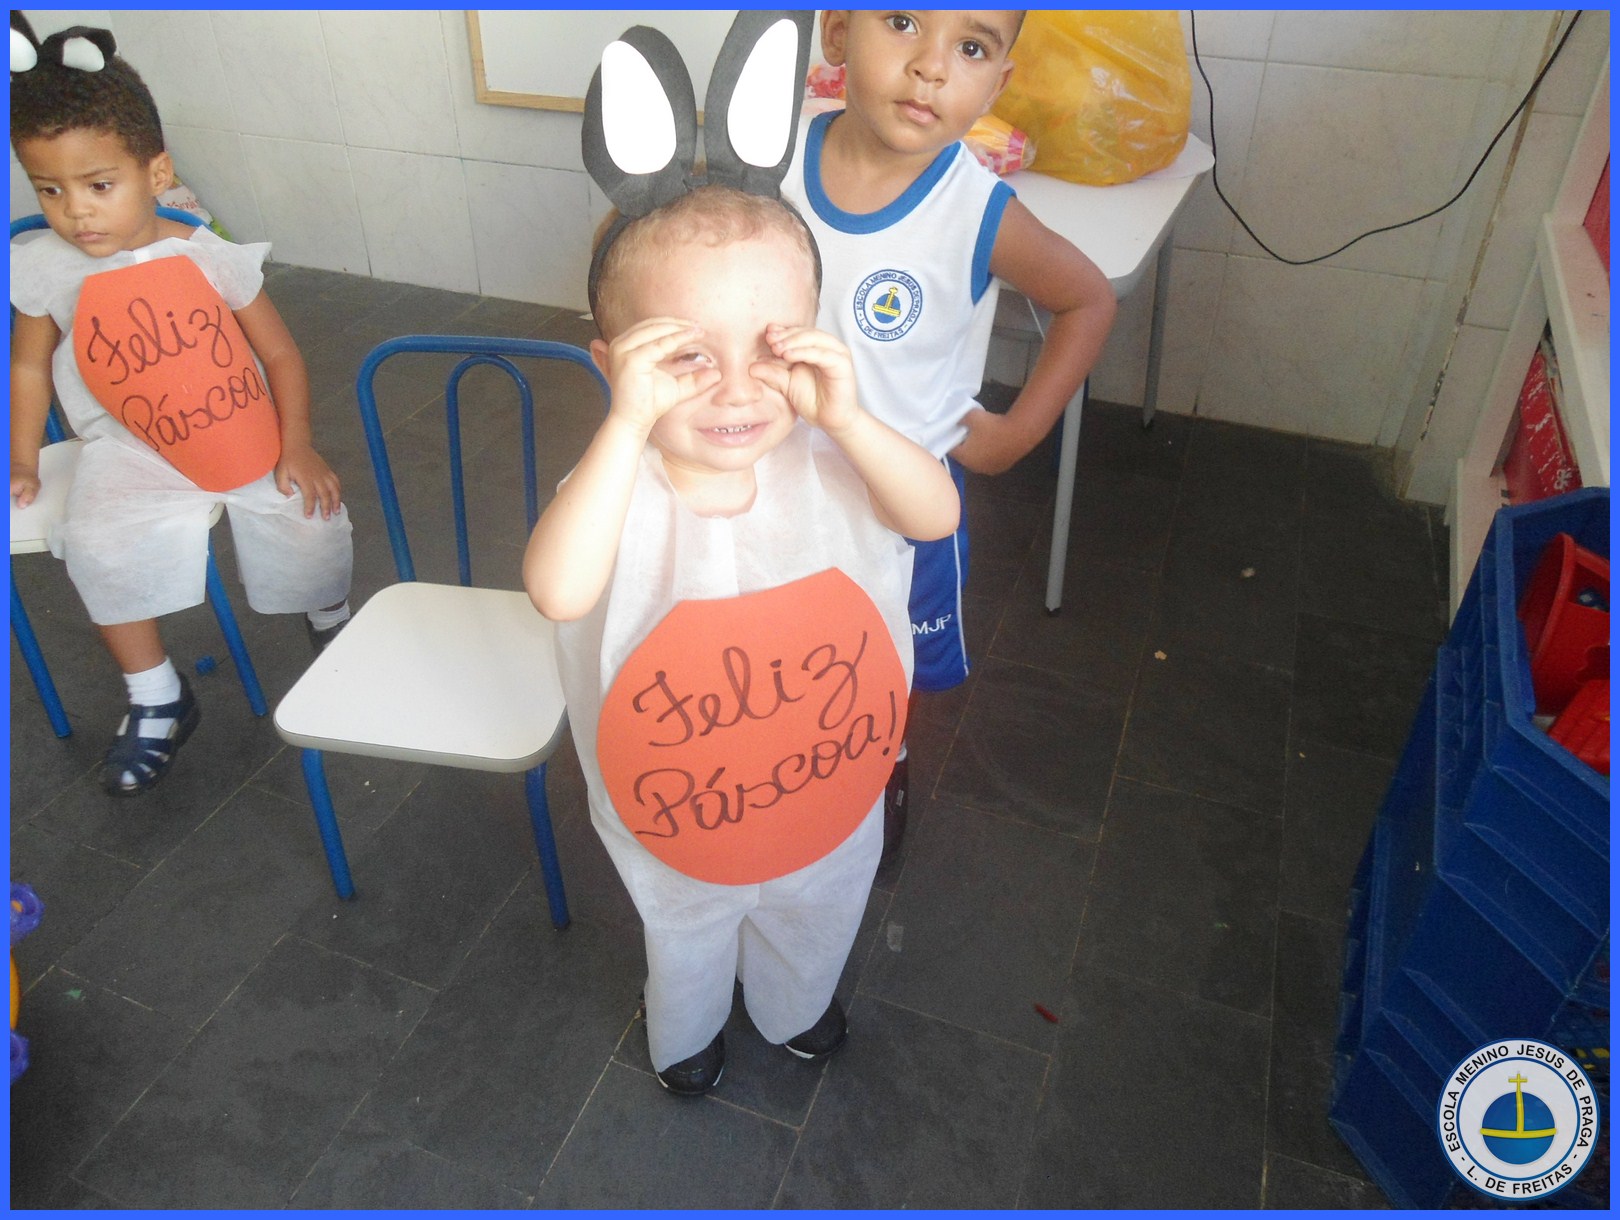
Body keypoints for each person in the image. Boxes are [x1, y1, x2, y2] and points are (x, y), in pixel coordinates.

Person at [524, 183, 960, 1095]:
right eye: (685, 356)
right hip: (682, 794)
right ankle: (685, 1023)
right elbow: (558, 590)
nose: (734, 387)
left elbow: (936, 516)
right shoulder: (614, 484)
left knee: (820, 895)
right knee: (685, 915)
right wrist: (623, 426)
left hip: (818, 772)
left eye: (768, 347)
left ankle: (796, 1001)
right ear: (614, 364)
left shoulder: (837, 460)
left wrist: (849, 418)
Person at [780, 10, 1118, 868]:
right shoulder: (767, 165)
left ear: (997, 83)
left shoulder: (975, 211)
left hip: (903, 516)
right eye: (902, 21)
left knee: (886, 672)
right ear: (837, 35)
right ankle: (784, 775)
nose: (931, 66)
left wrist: (1013, 436)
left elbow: (1087, 299)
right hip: (771, 494)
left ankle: (880, 767)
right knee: (781, 657)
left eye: (971, 47)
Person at [9, 22, 353, 796]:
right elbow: (28, 367)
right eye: (49, 191)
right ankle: (157, 695)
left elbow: (280, 354)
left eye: (99, 186)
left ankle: (332, 622)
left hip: (238, 429)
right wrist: (22, 456)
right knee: (94, 542)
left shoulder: (205, 254)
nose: (76, 213)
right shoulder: (46, 268)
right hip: (128, 449)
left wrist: (296, 441)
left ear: (155, 171)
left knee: (310, 516)